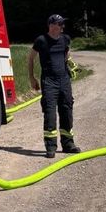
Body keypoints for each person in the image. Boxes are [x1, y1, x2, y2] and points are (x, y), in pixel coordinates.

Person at [28, 14, 81, 158]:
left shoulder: (65, 39)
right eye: (60, 24)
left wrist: (70, 64)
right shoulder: (41, 41)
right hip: (49, 81)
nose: (62, 26)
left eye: (62, 24)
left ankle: (68, 144)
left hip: (64, 80)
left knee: (66, 110)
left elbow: (66, 53)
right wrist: (32, 78)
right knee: (50, 113)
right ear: (51, 26)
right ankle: (50, 147)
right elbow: (31, 58)